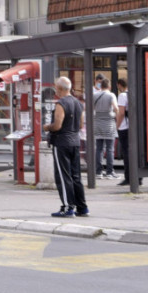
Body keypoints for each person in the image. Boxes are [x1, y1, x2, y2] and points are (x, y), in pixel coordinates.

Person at [43, 76, 88, 218]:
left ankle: (68, 207)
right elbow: (81, 125)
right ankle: (82, 207)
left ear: (60, 88)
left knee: (63, 176)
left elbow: (57, 125)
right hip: (75, 141)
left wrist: (47, 127)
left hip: (62, 142)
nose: (55, 89)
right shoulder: (78, 103)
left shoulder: (61, 104)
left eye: (56, 87)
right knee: (76, 176)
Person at [114, 78, 141, 187]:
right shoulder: (134, 94)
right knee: (136, 153)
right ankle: (138, 178)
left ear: (119, 85)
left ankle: (128, 178)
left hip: (124, 127)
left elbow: (121, 113)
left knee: (126, 153)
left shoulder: (122, 96)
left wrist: (117, 126)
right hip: (135, 127)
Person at [92, 78, 118, 179]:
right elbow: (115, 108)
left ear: (101, 86)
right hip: (109, 124)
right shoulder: (111, 95)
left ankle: (98, 172)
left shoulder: (95, 95)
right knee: (110, 149)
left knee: (99, 148)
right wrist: (115, 114)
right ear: (109, 86)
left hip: (97, 123)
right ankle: (109, 172)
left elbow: (89, 108)